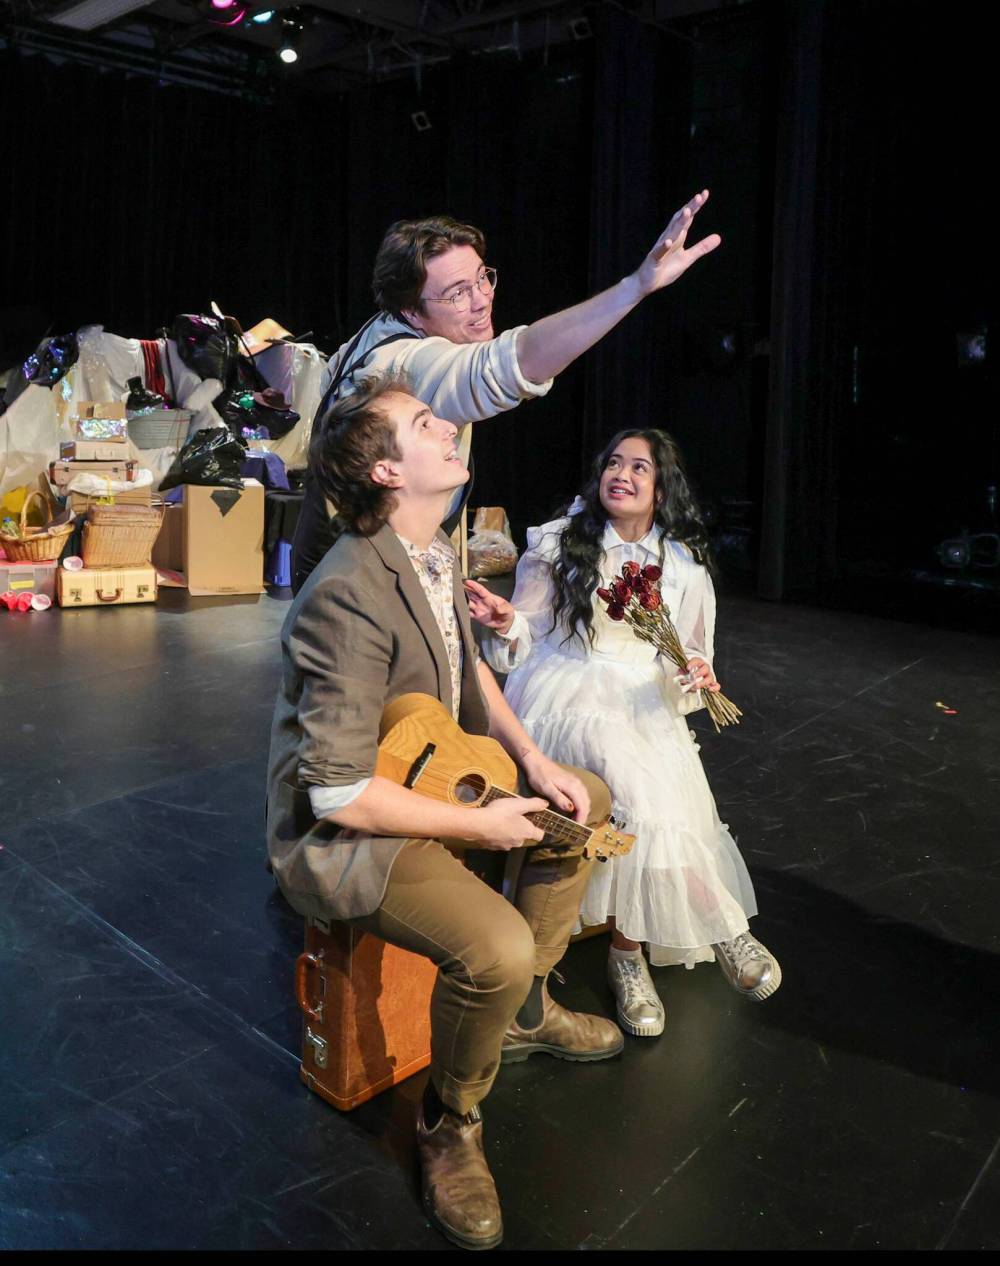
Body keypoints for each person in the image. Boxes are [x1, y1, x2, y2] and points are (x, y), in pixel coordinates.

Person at [267, 375, 624, 1251]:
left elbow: (470, 675)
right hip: (350, 827)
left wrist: (535, 764)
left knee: (589, 800)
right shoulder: (347, 591)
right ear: (388, 472)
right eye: (425, 424)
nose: (448, 428)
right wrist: (482, 826)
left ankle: (528, 1011)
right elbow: (337, 791)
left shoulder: (436, 546)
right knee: (494, 945)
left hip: (428, 774)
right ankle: (450, 1121)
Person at [472, 429, 781, 1040]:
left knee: (667, 809)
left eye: (640, 467)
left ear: (661, 487)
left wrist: (696, 674)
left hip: (639, 700)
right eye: (614, 463)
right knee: (638, 801)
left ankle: (632, 950)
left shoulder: (683, 566)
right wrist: (509, 619)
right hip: (564, 691)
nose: (623, 474)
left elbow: (687, 657)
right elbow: (526, 631)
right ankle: (709, 931)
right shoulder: (560, 541)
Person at [291, 190, 721, 592]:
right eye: (458, 293)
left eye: (482, 278)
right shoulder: (408, 367)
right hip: (362, 572)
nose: (481, 300)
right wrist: (635, 288)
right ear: (412, 311)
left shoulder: (379, 327)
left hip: (346, 545)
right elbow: (506, 365)